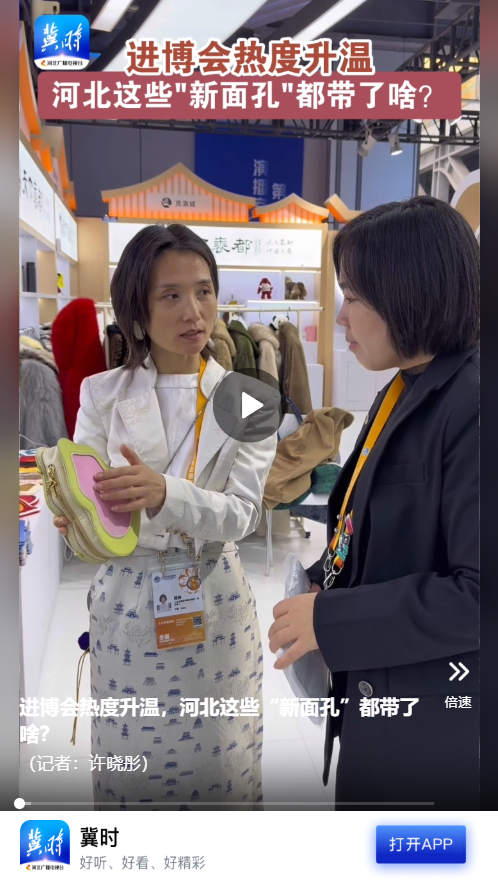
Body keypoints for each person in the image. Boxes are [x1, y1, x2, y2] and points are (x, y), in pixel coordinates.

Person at [54, 223, 277, 810]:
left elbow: (244, 514)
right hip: (128, 604)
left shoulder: (248, 399)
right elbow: (92, 503)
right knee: (133, 766)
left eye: (204, 291)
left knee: (222, 762)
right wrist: (80, 520)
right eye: (171, 295)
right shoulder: (103, 393)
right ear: (137, 309)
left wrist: (165, 495)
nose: (193, 311)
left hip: (215, 600)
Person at [269, 195, 479, 810]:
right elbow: (383, 524)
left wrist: (331, 620)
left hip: (438, 732)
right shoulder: (406, 388)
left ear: (408, 294)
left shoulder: (472, 403)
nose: (340, 317)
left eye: (353, 297)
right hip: (384, 701)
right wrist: (324, 579)